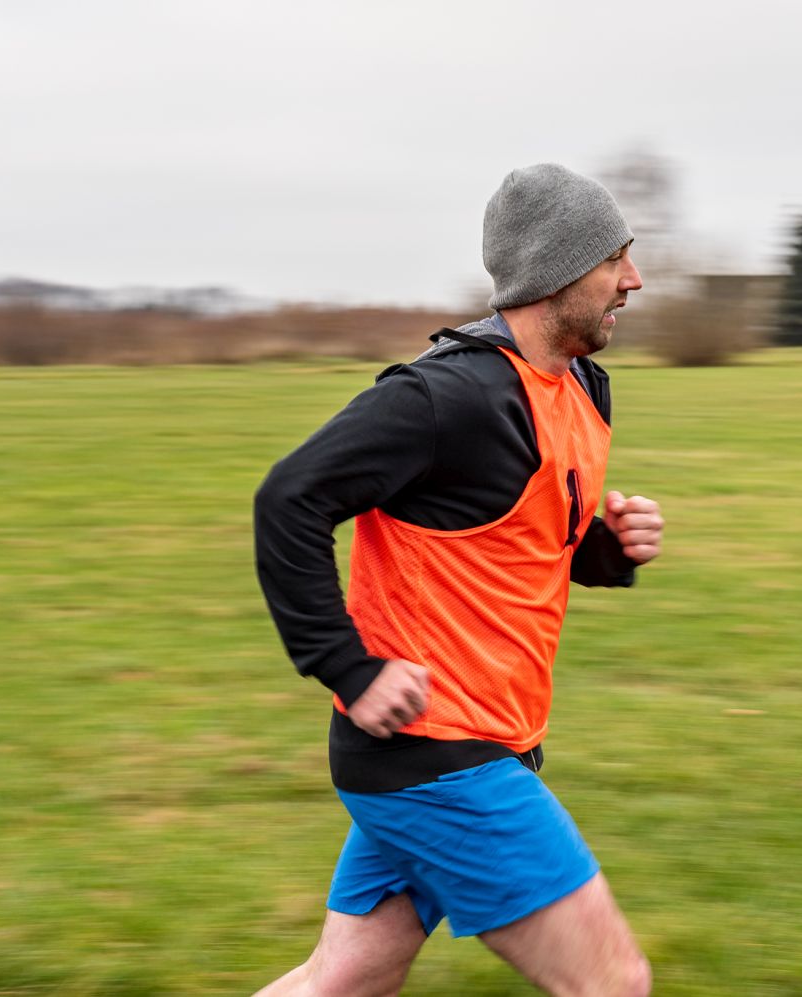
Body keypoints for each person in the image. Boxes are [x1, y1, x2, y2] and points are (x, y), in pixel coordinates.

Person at [253, 163, 661, 995]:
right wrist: (348, 668)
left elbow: (532, 539)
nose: (634, 278)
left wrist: (609, 551)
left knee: (346, 978)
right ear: (555, 271)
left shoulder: (581, 387)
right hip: (438, 758)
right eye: (615, 258)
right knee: (613, 982)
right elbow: (289, 499)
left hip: (487, 741)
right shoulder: (446, 396)